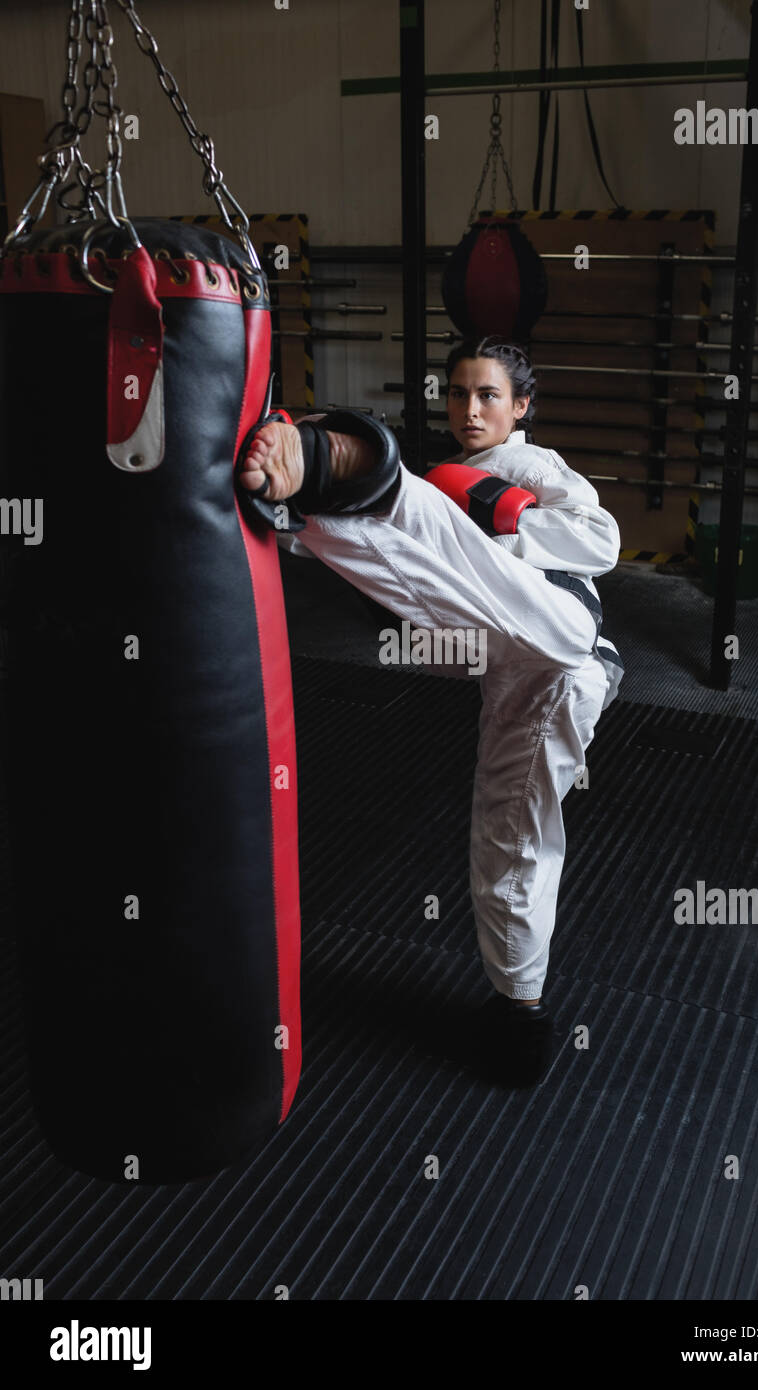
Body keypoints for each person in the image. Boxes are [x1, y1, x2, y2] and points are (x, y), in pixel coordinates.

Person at [237, 336, 624, 1085]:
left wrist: (502, 519)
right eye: (457, 394)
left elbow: (601, 540)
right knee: (508, 831)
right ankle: (322, 493)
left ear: (520, 407)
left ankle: (521, 1033)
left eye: (487, 396)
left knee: (511, 841)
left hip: (561, 644)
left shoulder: (525, 465)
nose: (470, 409)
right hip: (518, 657)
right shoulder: (459, 476)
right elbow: (426, 567)